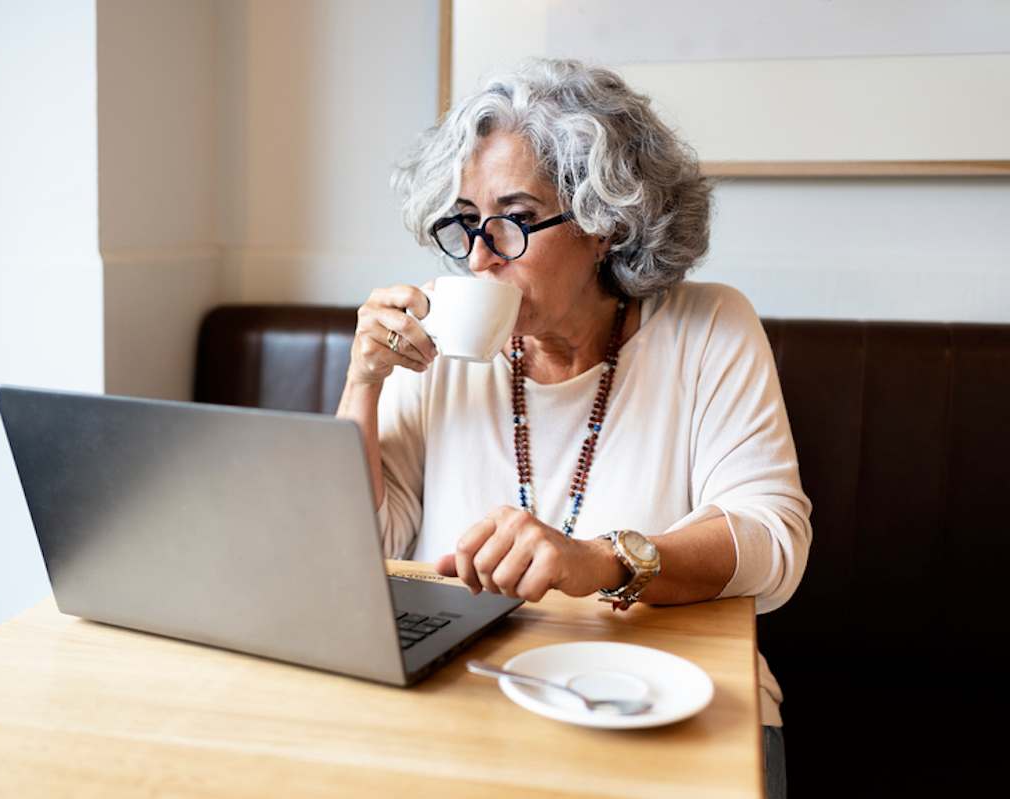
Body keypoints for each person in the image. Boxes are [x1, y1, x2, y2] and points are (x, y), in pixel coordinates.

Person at [336, 59, 808, 799]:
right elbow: (366, 549)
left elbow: (774, 540)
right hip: (462, 698)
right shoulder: (434, 336)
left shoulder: (709, 328)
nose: (481, 256)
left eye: (516, 220)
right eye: (467, 222)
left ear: (603, 222)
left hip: (670, 709)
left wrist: (600, 560)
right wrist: (363, 384)